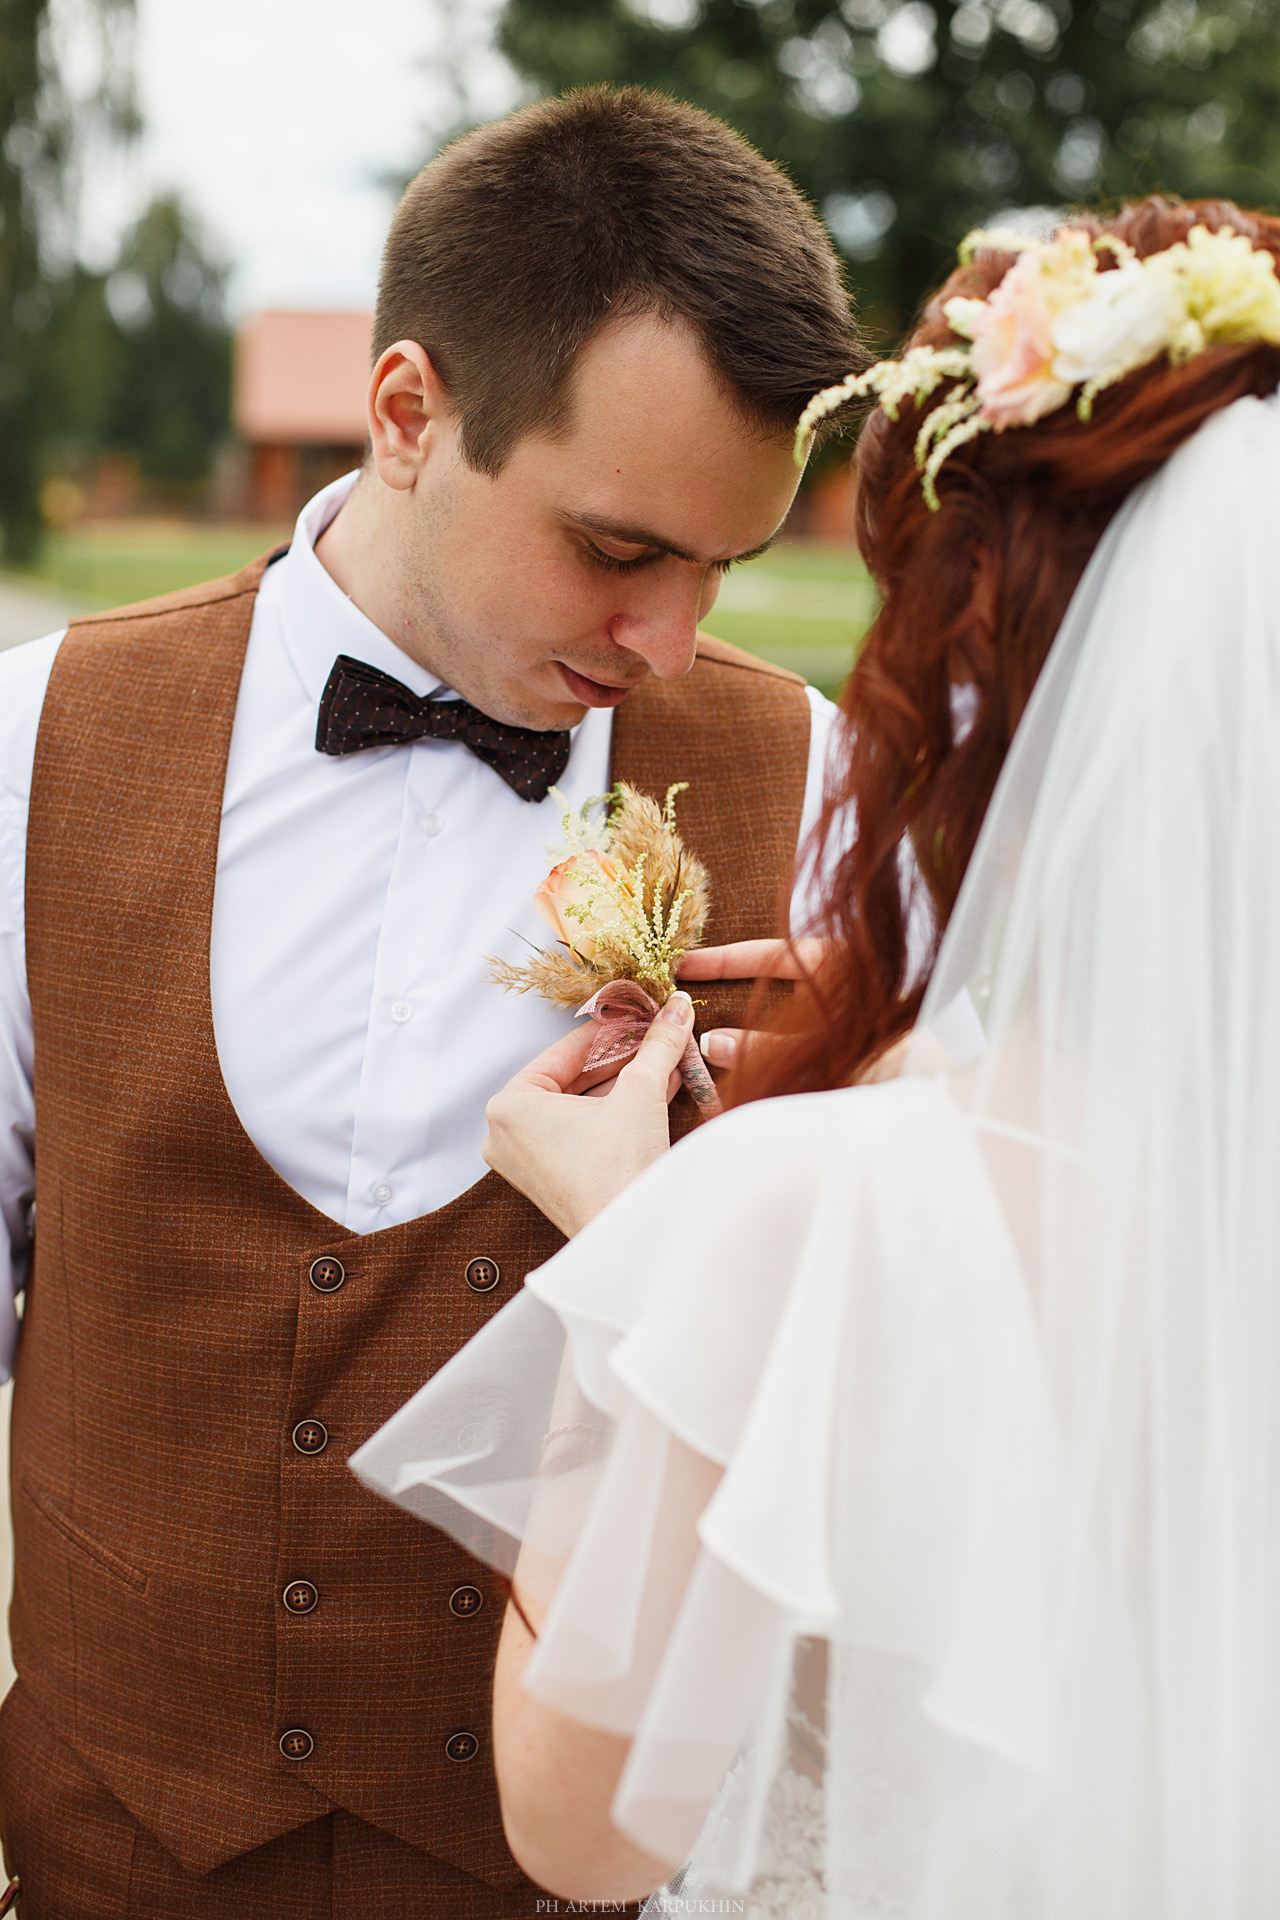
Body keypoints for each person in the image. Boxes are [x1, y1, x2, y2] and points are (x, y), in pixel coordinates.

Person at [355, 197, 1280, 1917]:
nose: (686, 639)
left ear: (969, 670)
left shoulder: (802, 1217)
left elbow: (583, 1828)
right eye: (627, 549)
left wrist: (649, 1244)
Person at [0, 88, 868, 1917]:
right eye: (622, 550)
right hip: (103, 1848)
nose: (674, 639)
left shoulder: (830, 789)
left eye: (728, 566)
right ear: (410, 414)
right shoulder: (30, 747)